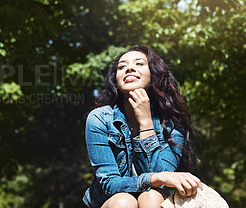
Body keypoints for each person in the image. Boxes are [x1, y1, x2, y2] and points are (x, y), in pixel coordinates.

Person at [83, 45, 203, 208]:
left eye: (139, 63)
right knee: (124, 201)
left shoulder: (173, 123)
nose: (129, 68)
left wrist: (146, 123)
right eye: (122, 66)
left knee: (151, 197)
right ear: (116, 81)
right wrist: (156, 178)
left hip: (155, 202)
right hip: (110, 202)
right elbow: (110, 184)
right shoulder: (100, 118)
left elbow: (161, 182)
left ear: (155, 76)